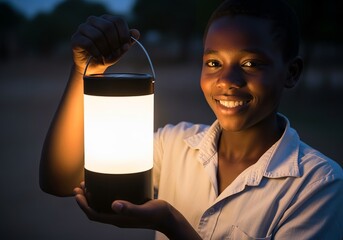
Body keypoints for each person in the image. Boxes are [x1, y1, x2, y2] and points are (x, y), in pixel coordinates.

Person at [39, 0, 343, 239]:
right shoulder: (174, 146)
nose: (228, 80)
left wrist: (172, 225)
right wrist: (83, 72)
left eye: (251, 63)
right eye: (213, 63)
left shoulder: (317, 185)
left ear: (291, 73)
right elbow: (60, 181)